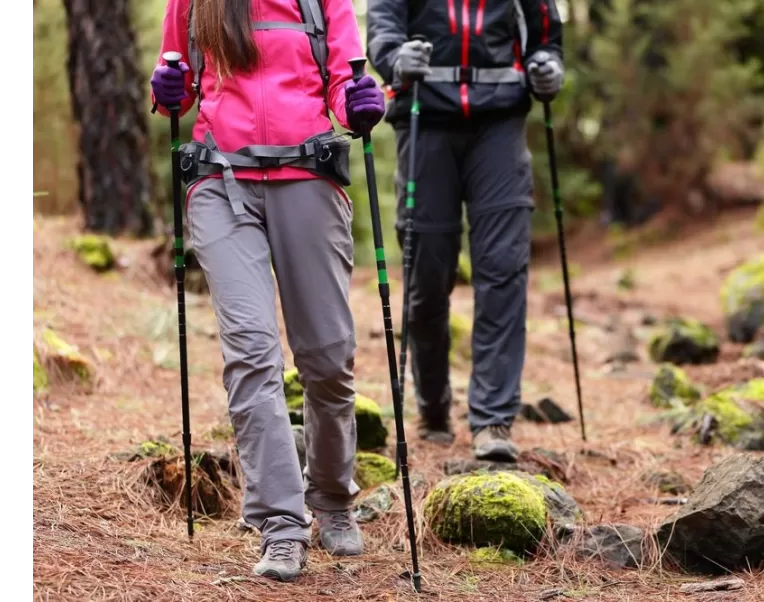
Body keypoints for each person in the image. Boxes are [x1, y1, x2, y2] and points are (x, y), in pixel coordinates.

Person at [149, 0, 385, 583]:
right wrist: (167, 89)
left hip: (307, 176)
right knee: (252, 352)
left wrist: (358, 104)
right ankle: (281, 523)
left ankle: (332, 495)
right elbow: (175, 90)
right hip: (219, 182)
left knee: (328, 357)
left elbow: (341, 83)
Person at [366, 0, 564, 461]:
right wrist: (395, 59)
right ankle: (433, 405)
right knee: (428, 277)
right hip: (425, 121)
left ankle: (493, 419)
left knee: (502, 269)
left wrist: (548, 65)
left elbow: (547, 35)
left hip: (500, 125)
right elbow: (383, 26)